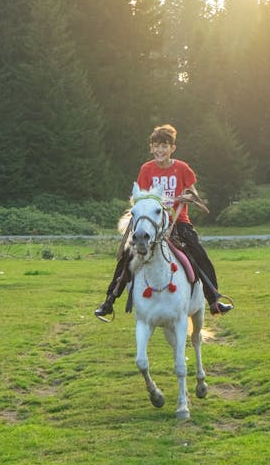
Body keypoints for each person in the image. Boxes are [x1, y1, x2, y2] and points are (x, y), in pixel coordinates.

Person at [94, 123, 234, 321]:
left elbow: (193, 193)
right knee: (126, 256)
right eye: (156, 145)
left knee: (199, 253)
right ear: (151, 148)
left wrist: (185, 197)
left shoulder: (182, 168)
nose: (160, 150)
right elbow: (140, 197)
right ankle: (109, 301)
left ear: (172, 149)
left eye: (165, 146)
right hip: (152, 222)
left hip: (178, 222)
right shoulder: (146, 169)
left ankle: (213, 300)